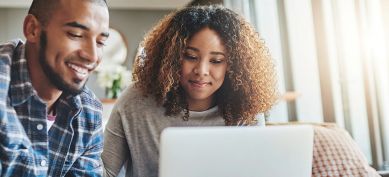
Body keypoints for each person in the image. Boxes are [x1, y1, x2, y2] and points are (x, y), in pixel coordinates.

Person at [102, 5, 278, 177]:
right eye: (191, 57)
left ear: (233, 66)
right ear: (171, 57)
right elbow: (105, 171)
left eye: (216, 60)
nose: (201, 70)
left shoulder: (245, 110)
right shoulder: (136, 100)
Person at [0, 0, 109, 176]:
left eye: (100, 42)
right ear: (32, 29)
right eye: (75, 34)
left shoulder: (90, 112)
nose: (92, 56)